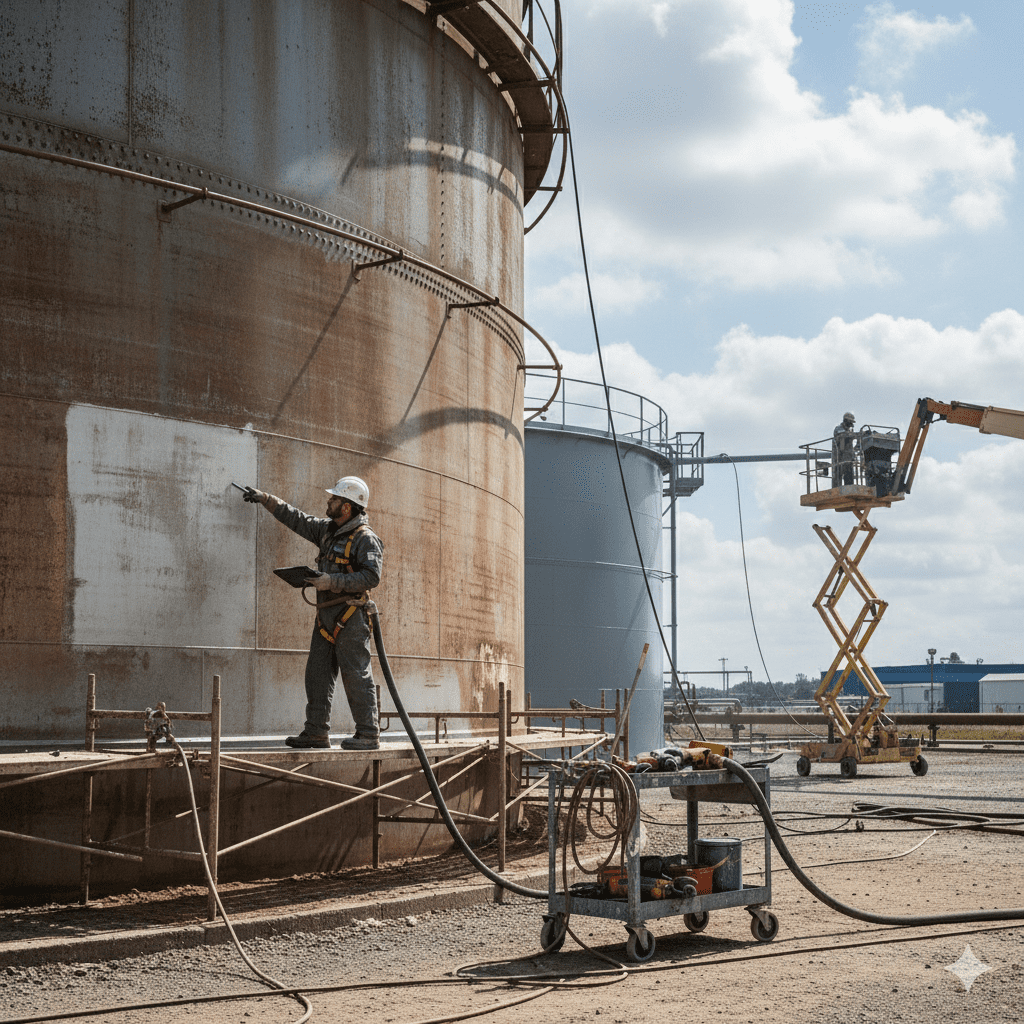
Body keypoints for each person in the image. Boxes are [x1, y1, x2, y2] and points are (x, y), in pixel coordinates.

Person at [241, 477, 384, 750]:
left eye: (333, 499)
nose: (327, 502)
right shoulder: (326, 531)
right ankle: (316, 732)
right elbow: (297, 519)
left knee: (355, 674)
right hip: (326, 617)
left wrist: (330, 581)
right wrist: (265, 498)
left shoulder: (366, 539)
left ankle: (368, 734)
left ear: (346, 507)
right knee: (316, 674)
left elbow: (371, 577)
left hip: (350, 618)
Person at [832, 411, 858, 487]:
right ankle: (836, 488)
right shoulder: (839, 429)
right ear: (846, 421)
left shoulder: (848, 431)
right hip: (839, 457)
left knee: (849, 475)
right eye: (850, 422)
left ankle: (849, 488)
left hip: (848, 457)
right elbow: (843, 436)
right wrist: (853, 435)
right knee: (838, 476)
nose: (851, 425)